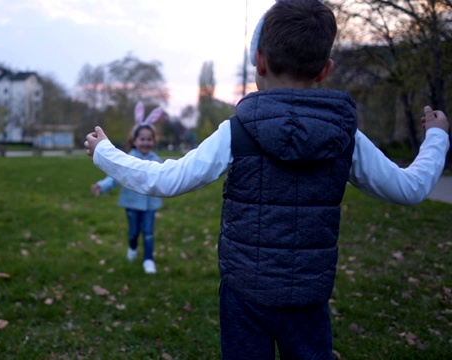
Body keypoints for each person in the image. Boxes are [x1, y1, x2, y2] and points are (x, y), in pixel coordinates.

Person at [84, 0, 450, 358]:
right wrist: (437, 136)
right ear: (325, 69)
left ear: (258, 60)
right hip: (308, 296)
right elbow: (410, 188)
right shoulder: (344, 136)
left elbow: (167, 180)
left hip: (245, 294)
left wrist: (105, 152)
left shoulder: (237, 131)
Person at [90, 101, 164, 275]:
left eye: (149, 139)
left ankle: (148, 260)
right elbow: (116, 176)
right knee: (133, 232)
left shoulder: (157, 159)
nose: (146, 142)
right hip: (131, 203)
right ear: (135, 140)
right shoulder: (128, 158)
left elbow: (164, 178)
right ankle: (132, 248)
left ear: (153, 141)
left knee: (148, 232)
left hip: (150, 205)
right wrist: (102, 186)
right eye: (142, 139)